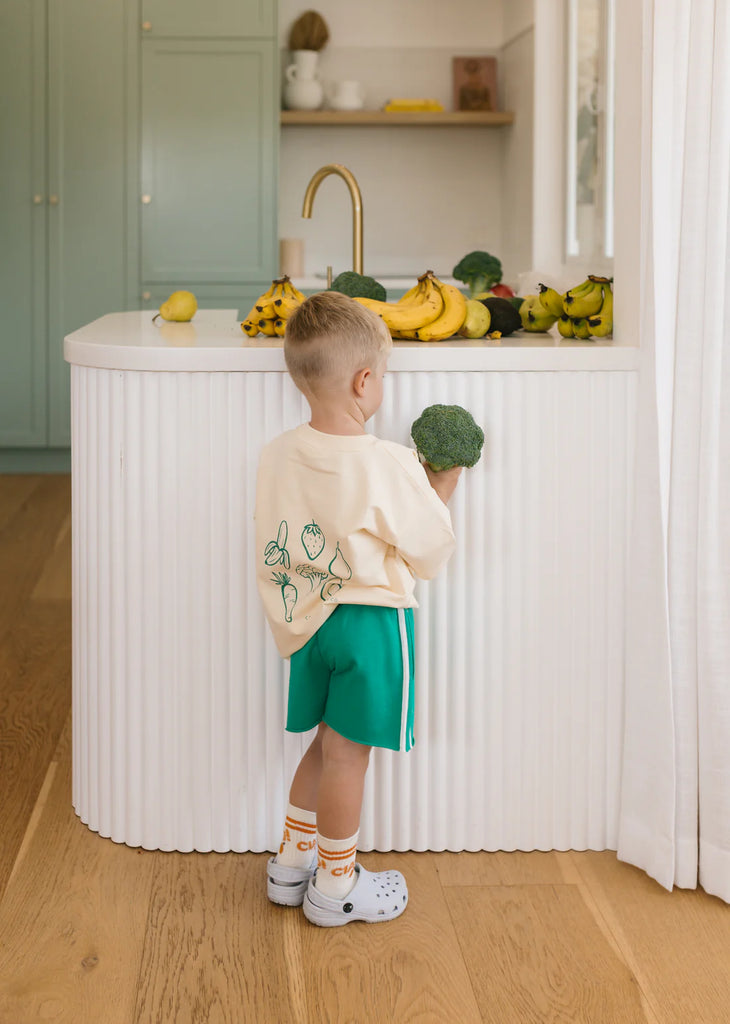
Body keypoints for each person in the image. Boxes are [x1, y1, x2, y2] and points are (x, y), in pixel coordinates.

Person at [255, 290, 462, 927]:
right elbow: (429, 547)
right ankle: (336, 883)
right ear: (364, 380)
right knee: (349, 757)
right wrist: (443, 487)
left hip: (308, 624)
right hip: (370, 624)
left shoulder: (278, 453)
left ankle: (291, 862)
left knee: (324, 745)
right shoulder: (387, 462)